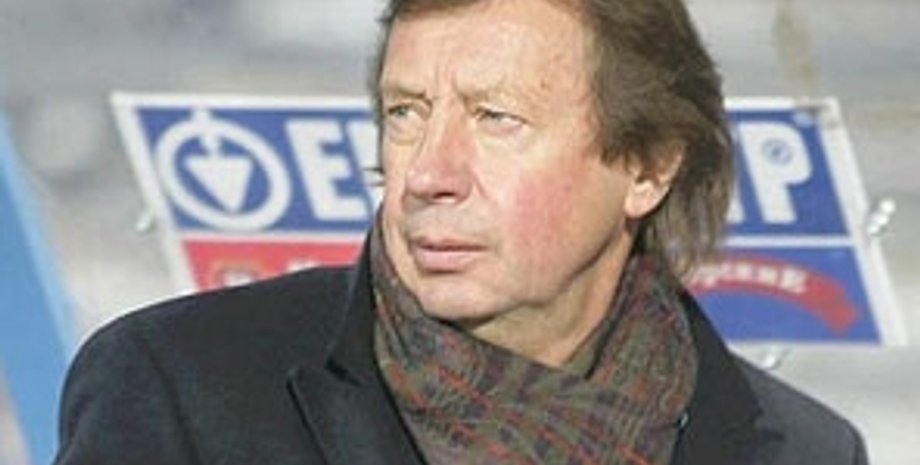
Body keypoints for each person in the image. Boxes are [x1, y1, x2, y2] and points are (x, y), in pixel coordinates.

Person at [54, 0, 868, 463]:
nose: (428, 173)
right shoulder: (177, 388)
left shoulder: (803, 452)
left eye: (495, 117)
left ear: (648, 167)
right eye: (406, 113)